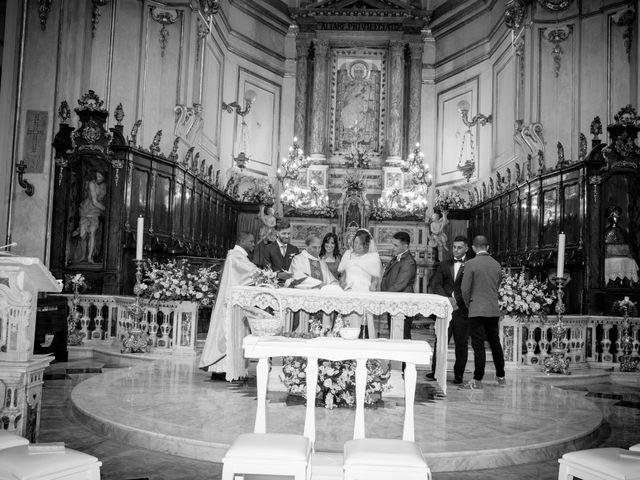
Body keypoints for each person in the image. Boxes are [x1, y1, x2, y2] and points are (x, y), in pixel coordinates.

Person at [199, 232, 258, 381]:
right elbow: (251, 272)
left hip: (234, 302)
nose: (253, 244)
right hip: (229, 304)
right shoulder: (235, 256)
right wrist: (273, 276)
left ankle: (231, 368)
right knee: (227, 333)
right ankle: (221, 370)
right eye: (251, 241)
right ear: (243, 241)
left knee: (234, 333)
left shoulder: (238, 256)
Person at [459, 235, 506, 390]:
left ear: (473, 248)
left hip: (476, 309)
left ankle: (478, 379)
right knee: (495, 343)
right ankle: (501, 376)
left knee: (478, 345)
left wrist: (469, 304)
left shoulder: (471, 263)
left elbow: (465, 289)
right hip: (493, 309)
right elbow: (497, 285)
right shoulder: (496, 264)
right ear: (488, 247)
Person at [428, 236, 471, 384]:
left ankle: (458, 374)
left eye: (459, 247)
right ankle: (435, 372)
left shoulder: (471, 265)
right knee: (440, 340)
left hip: (462, 310)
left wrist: (456, 300)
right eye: (454, 247)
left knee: (461, 343)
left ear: (466, 248)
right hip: (444, 309)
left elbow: (470, 287)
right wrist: (447, 299)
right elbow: (436, 284)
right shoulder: (444, 264)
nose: (456, 250)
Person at [338, 228, 382, 337]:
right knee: (349, 322)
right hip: (350, 292)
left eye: (360, 243)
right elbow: (343, 276)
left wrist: (373, 287)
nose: (357, 246)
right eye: (355, 242)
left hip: (364, 293)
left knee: (364, 323)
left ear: (367, 244)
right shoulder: (348, 255)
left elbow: (375, 278)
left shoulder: (373, 257)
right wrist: (342, 284)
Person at [380, 231, 417, 340]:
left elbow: (400, 285)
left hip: (403, 303)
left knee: (403, 335)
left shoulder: (408, 262)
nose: (393, 247)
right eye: (393, 244)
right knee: (394, 334)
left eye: (396, 245)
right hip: (394, 301)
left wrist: (383, 295)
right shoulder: (397, 257)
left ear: (405, 246)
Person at [72, 171, 107, 263]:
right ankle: (82, 256)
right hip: (87, 209)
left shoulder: (106, 186)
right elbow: (94, 201)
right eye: (96, 176)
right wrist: (107, 209)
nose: (98, 177)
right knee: (82, 235)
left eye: (100, 176)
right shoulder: (92, 183)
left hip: (97, 211)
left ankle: (89, 257)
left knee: (92, 233)